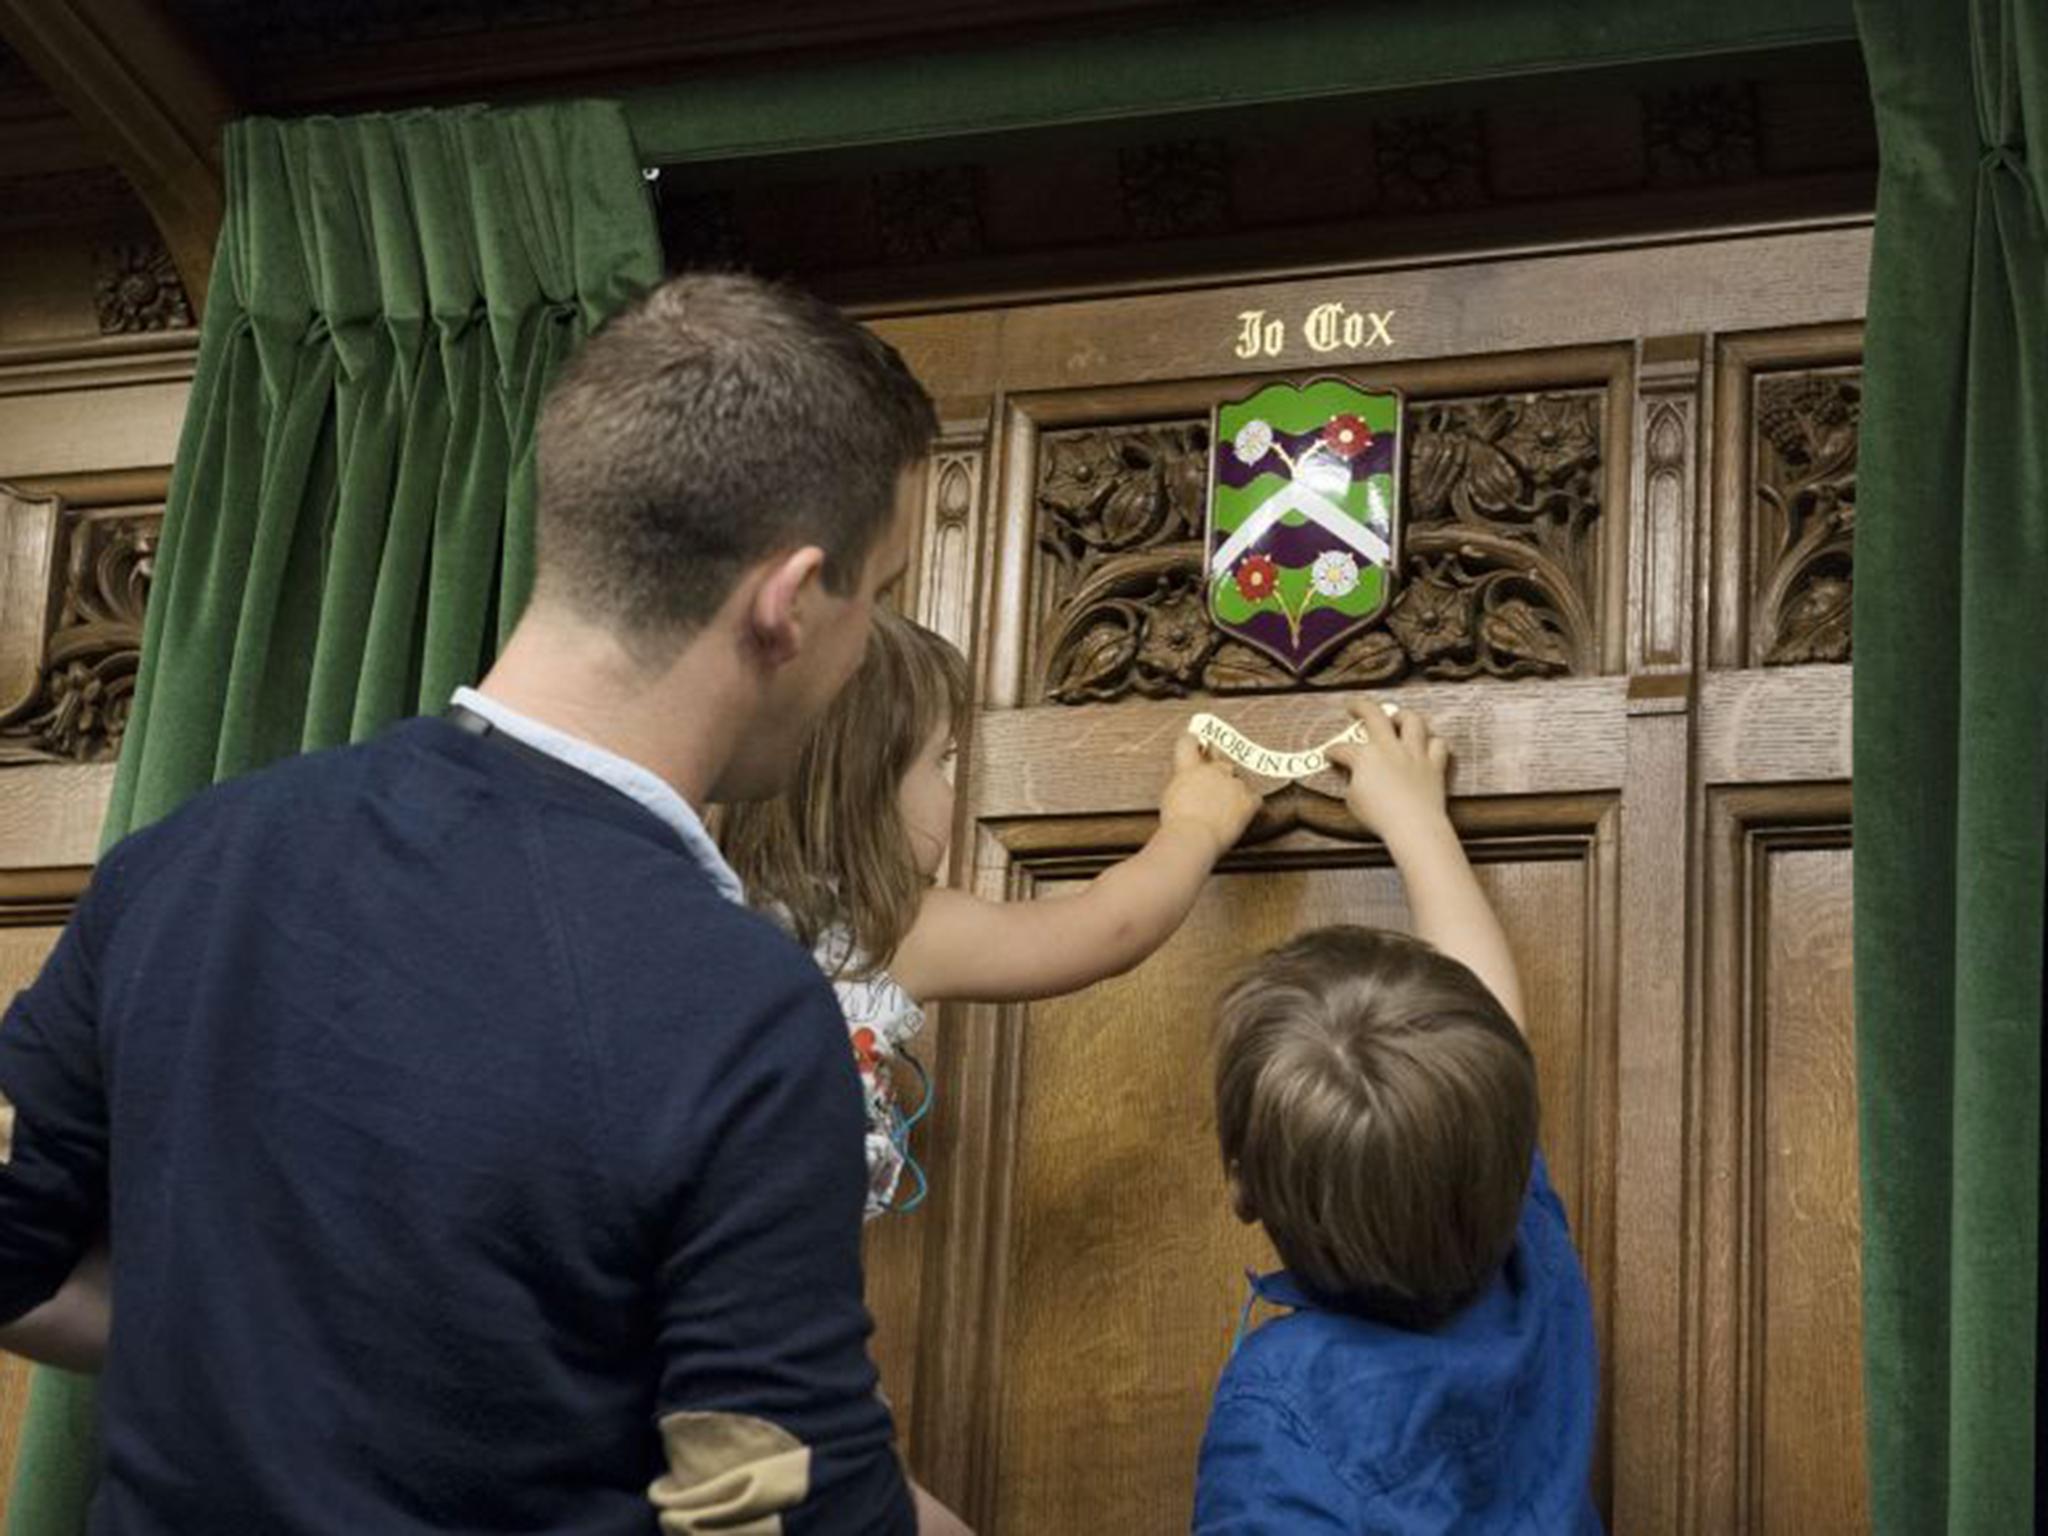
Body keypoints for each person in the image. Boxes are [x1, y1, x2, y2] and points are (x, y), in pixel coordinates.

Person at [0, 272, 968, 1534]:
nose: (863, 650)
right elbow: (764, 1504)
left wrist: (286, 1360)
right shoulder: (729, 1004)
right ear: (786, 605)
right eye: (876, 598)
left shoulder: (183, 863)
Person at [1192, 700, 1602, 1534]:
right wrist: (1419, 822)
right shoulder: (1526, 1255)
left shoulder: (1276, 1405)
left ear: (1242, 1186)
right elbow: (1490, 1021)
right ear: (1499, 1141)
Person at [719, 608, 1262, 1218]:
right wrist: (1194, 829)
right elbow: (1110, 928)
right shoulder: (892, 933)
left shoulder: (704, 914)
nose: (951, 791)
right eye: (939, 761)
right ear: (869, 787)